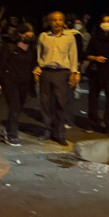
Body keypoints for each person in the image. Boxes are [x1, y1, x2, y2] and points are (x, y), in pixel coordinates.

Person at [35, 11, 80, 146]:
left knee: (61, 103)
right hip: (46, 72)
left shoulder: (70, 37)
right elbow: (38, 55)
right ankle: (48, 131)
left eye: (60, 20)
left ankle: (59, 133)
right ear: (49, 22)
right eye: (54, 20)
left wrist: (74, 72)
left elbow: (73, 55)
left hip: (62, 73)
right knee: (45, 103)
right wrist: (37, 70)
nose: (57, 22)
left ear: (64, 21)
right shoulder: (43, 36)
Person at [0, 23, 37, 146]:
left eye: (31, 35)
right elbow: (1, 65)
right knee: (15, 107)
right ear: (20, 35)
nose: (29, 37)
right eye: (27, 35)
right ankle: (12, 135)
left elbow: (34, 63)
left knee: (19, 107)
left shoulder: (33, 48)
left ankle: (10, 129)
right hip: (11, 82)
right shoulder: (10, 48)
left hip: (25, 82)